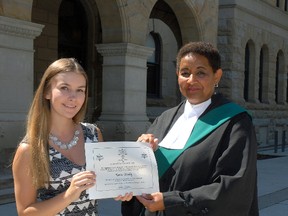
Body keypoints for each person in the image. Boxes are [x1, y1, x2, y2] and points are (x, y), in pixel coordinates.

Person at [122, 42, 259, 216]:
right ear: (177, 75)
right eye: (185, 73)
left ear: (217, 76)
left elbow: (234, 187)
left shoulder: (235, 123)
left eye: (201, 73)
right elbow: (141, 175)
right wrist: (140, 154)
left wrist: (172, 201)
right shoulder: (164, 119)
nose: (191, 80)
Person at [12, 58, 131, 216]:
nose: (73, 97)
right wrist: (69, 195)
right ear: (47, 92)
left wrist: (120, 190)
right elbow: (25, 212)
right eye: (64, 88)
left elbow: (104, 182)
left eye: (80, 90)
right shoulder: (30, 149)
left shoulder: (93, 134)